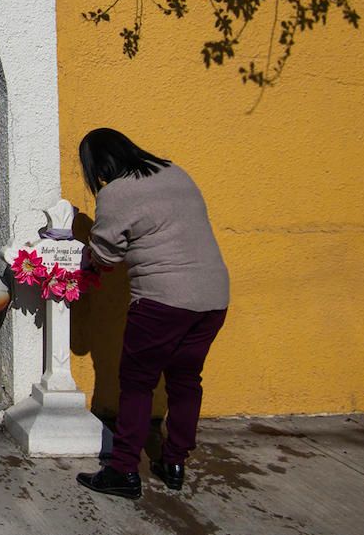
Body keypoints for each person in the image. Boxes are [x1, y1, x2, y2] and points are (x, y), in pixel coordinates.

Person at [74, 128, 230, 500]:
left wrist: (88, 259)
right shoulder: (174, 171)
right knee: (186, 379)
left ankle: (124, 470)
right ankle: (174, 462)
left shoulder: (116, 193)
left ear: (96, 164)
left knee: (138, 382)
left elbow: (108, 255)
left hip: (163, 300)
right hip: (213, 297)